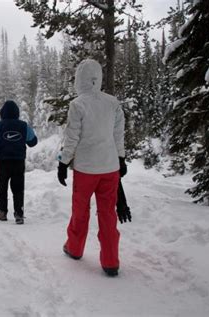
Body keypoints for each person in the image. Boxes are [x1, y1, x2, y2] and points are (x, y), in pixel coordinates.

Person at [57, 59, 126, 277]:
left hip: (86, 169)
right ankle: (110, 261)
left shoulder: (78, 104)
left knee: (80, 210)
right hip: (109, 168)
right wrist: (121, 158)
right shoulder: (113, 103)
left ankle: (75, 248)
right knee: (107, 214)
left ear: (80, 80)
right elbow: (118, 135)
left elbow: (72, 137)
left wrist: (63, 161)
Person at [0, 100, 38, 225]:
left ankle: (2, 212)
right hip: (19, 162)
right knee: (18, 188)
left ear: (2, 112)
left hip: (3, 162)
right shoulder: (23, 126)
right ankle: (19, 213)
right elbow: (33, 142)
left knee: (2, 188)